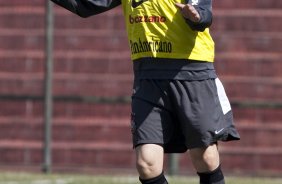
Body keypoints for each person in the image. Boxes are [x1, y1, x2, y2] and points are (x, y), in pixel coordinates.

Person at [50, 0, 240, 183]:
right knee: (147, 165)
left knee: (205, 157)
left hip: (191, 72)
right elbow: (85, 4)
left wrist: (196, 15)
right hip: (147, 76)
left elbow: (202, 12)